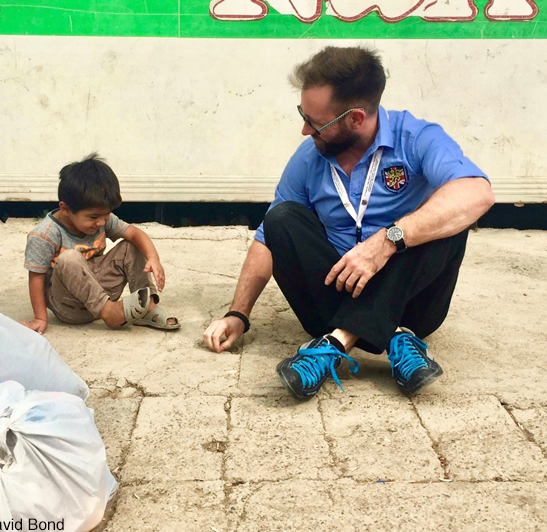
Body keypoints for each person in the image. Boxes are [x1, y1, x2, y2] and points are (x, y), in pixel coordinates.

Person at [203, 46, 494, 400]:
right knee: (281, 218)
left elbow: (479, 193)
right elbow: (268, 238)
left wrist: (387, 241)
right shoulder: (310, 156)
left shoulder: (416, 138)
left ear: (356, 118)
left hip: (414, 304)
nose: (303, 129)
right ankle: (396, 340)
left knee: (449, 216)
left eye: (315, 122)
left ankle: (335, 343)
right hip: (334, 297)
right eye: (303, 115)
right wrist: (238, 314)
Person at [21, 154, 180, 334]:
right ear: (65, 209)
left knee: (131, 245)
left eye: (106, 215)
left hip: (102, 292)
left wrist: (153, 259)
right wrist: (40, 318)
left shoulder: (102, 218)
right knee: (69, 258)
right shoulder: (44, 234)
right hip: (69, 305)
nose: (101, 222)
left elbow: (135, 233)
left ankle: (147, 307)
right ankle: (109, 312)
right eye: (93, 217)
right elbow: (36, 278)